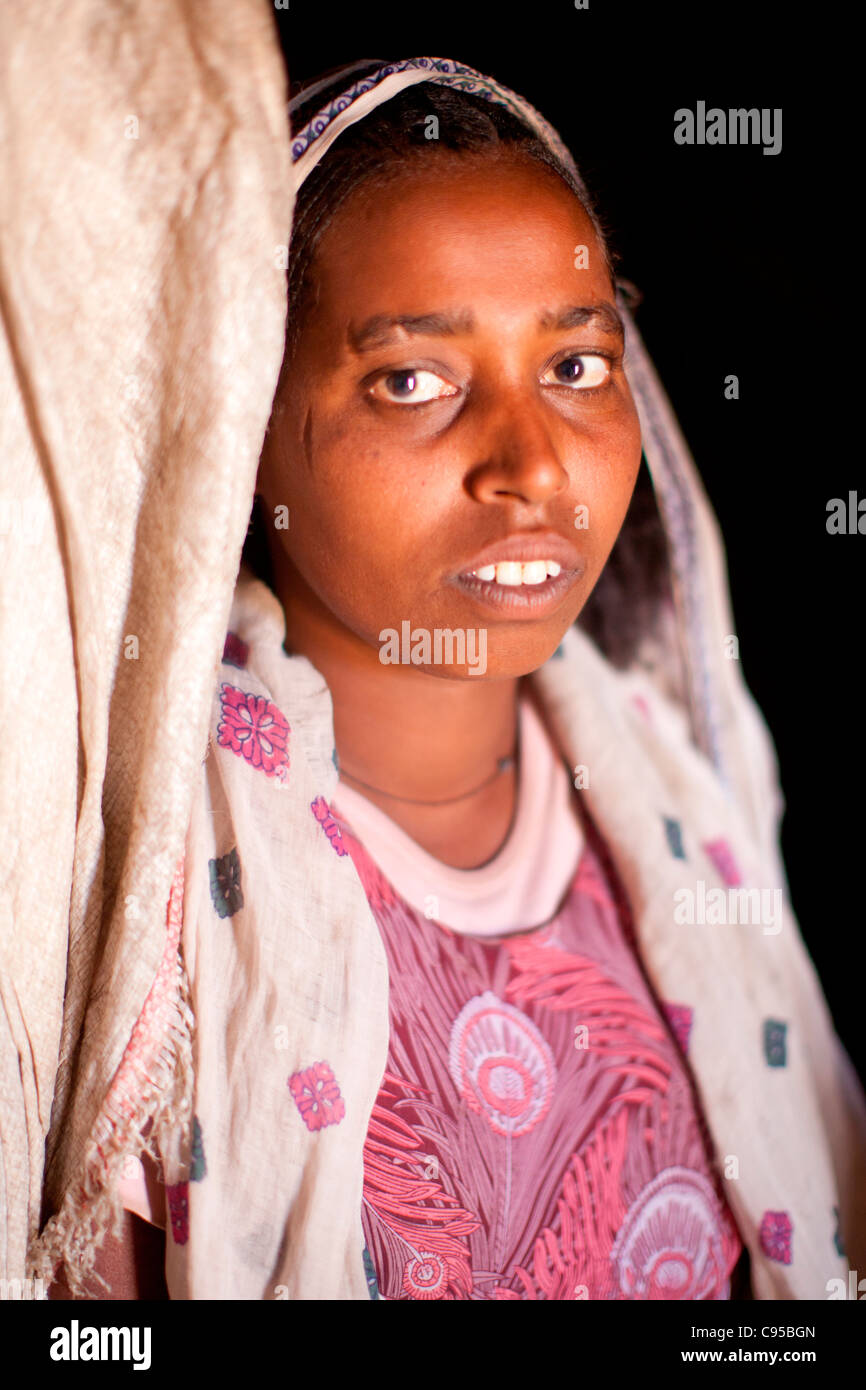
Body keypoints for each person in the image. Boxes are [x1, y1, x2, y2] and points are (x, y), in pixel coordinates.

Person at [42, 56, 866, 1301]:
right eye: (411, 381)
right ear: (240, 416)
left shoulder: (680, 806)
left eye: (576, 366)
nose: (531, 467)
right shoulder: (136, 904)